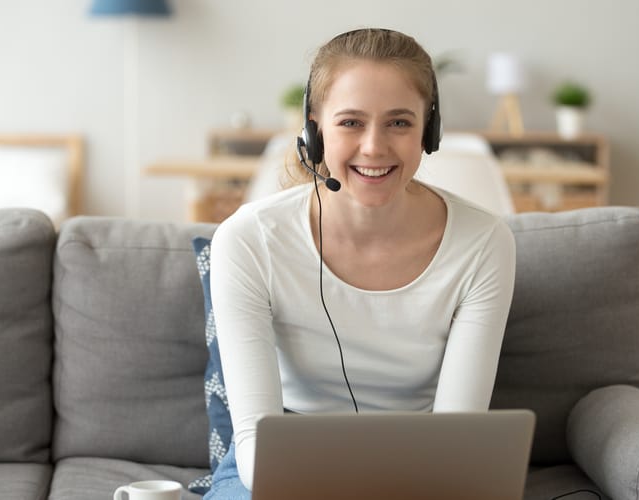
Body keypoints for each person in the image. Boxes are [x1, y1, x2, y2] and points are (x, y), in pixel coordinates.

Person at [204, 28, 516, 500]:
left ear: (429, 130)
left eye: (399, 123)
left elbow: (456, 441)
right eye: (350, 122)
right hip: (281, 462)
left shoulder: (483, 243)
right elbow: (255, 442)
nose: (374, 147)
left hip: (421, 462)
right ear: (314, 130)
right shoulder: (248, 240)